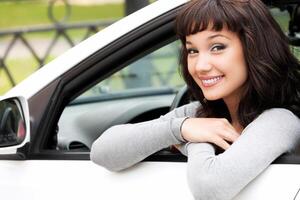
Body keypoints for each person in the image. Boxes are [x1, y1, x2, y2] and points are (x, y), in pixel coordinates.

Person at [90, 0, 300, 199]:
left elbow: (209, 187)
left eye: (217, 47)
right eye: (192, 50)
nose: (200, 66)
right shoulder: (197, 115)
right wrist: (179, 129)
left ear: (254, 48)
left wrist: (193, 140)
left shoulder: (281, 120)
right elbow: (102, 152)